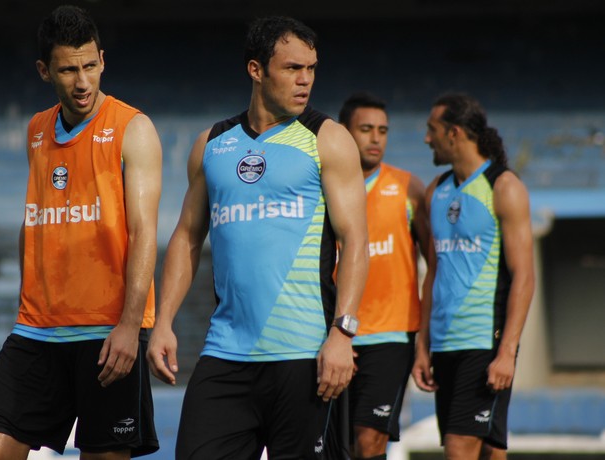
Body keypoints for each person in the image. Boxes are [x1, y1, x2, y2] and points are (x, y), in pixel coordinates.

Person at [146, 16, 368, 460]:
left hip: (305, 357)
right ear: (256, 70)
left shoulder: (328, 138)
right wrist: (163, 322)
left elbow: (356, 241)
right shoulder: (211, 144)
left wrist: (342, 335)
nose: (305, 80)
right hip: (226, 354)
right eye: (291, 68)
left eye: (311, 68)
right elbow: (188, 237)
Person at [0, 5, 162, 459]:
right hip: (36, 331)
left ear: (102, 59)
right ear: (44, 71)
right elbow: (33, 219)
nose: (82, 82)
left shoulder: (132, 129)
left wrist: (130, 325)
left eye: (90, 66)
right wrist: (30, 296)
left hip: (106, 333)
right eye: (68, 70)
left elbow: (143, 232)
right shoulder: (37, 130)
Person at [412, 93, 535, 460]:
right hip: (445, 346)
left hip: (484, 342)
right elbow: (433, 272)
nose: (426, 139)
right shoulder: (436, 190)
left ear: (454, 133)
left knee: (460, 448)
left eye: (431, 130)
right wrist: (422, 346)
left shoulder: (504, 186)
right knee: (490, 452)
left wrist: (507, 353)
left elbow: (525, 277)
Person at [337, 92, 431, 460]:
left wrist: (424, 339)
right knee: (334, 443)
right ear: (344, 133)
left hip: (391, 335)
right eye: (365, 129)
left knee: (370, 440)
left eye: (382, 130)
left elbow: (435, 267)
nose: (376, 138)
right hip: (331, 335)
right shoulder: (320, 188)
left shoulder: (410, 189)